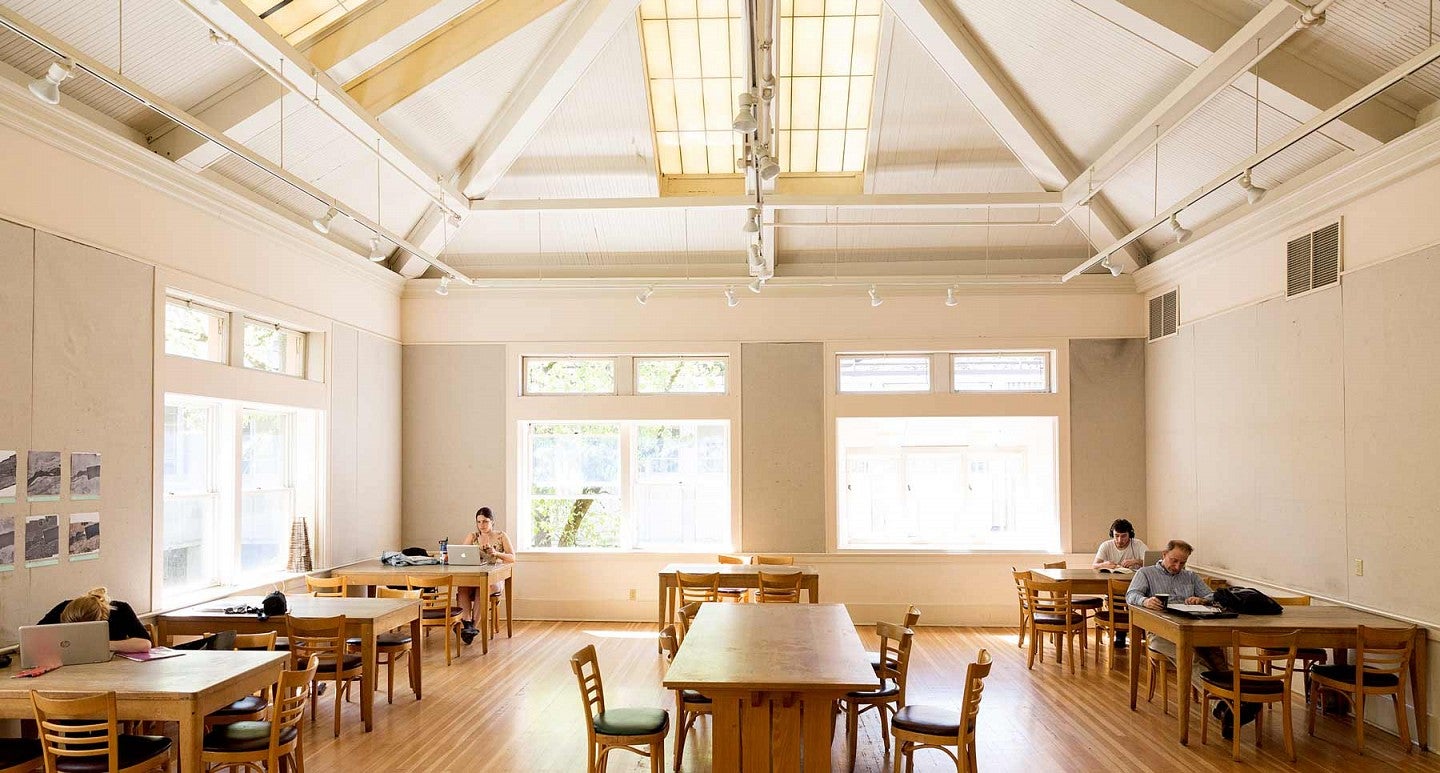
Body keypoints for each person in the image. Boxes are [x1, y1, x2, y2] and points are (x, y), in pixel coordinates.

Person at [1126, 541, 1256, 738]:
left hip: (1191, 627)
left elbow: (1212, 595)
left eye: (1182, 563)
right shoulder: (1146, 573)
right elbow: (1131, 595)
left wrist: (1202, 600)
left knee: (1216, 658)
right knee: (1191, 658)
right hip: (1159, 632)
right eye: (1174, 561)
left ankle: (1232, 705)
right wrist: (1146, 600)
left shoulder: (1190, 576)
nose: (1178, 567)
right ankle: (1223, 705)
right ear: (1164, 554)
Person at [456, 507, 515, 645]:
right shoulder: (473, 536)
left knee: (483, 588)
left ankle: (472, 626)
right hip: (475, 576)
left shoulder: (501, 536)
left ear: (492, 522)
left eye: (485, 521)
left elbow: (512, 558)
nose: (482, 525)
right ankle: (468, 626)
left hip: (495, 578)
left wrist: (495, 553)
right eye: (479, 522)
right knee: (462, 587)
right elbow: (461, 554)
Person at [38, 586, 151, 653]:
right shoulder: (64, 608)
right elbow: (33, 638)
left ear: (101, 621)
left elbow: (145, 644)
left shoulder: (119, 610)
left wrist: (102, 645)